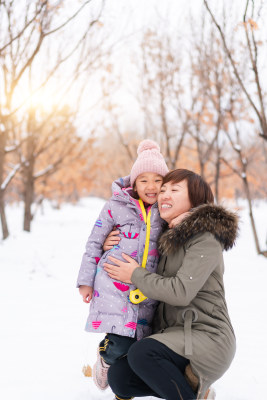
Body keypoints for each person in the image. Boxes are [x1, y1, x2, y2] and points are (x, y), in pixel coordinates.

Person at [103, 169, 238, 400]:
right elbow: (135, 236)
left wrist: (135, 274)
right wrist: (113, 241)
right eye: (163, 189)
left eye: (174, 190)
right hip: (173, 338)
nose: (164, 194)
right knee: (120, 378)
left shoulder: (206, 237)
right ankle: (194, 394)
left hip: (208, 339)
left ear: (195, 199)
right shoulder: (164, 236)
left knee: (142, 354)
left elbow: (181, 292)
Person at [76, 139, 169, 391]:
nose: (151, 186)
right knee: (120, 342)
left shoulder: (166, 210)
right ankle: (105, 358)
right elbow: (94, 241)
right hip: (113, 286)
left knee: (138, 343)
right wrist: (85, 281)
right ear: (134, 182)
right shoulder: (116, 206)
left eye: (157, 180)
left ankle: (120, 378)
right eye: (144, 180)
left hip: (146, 288)